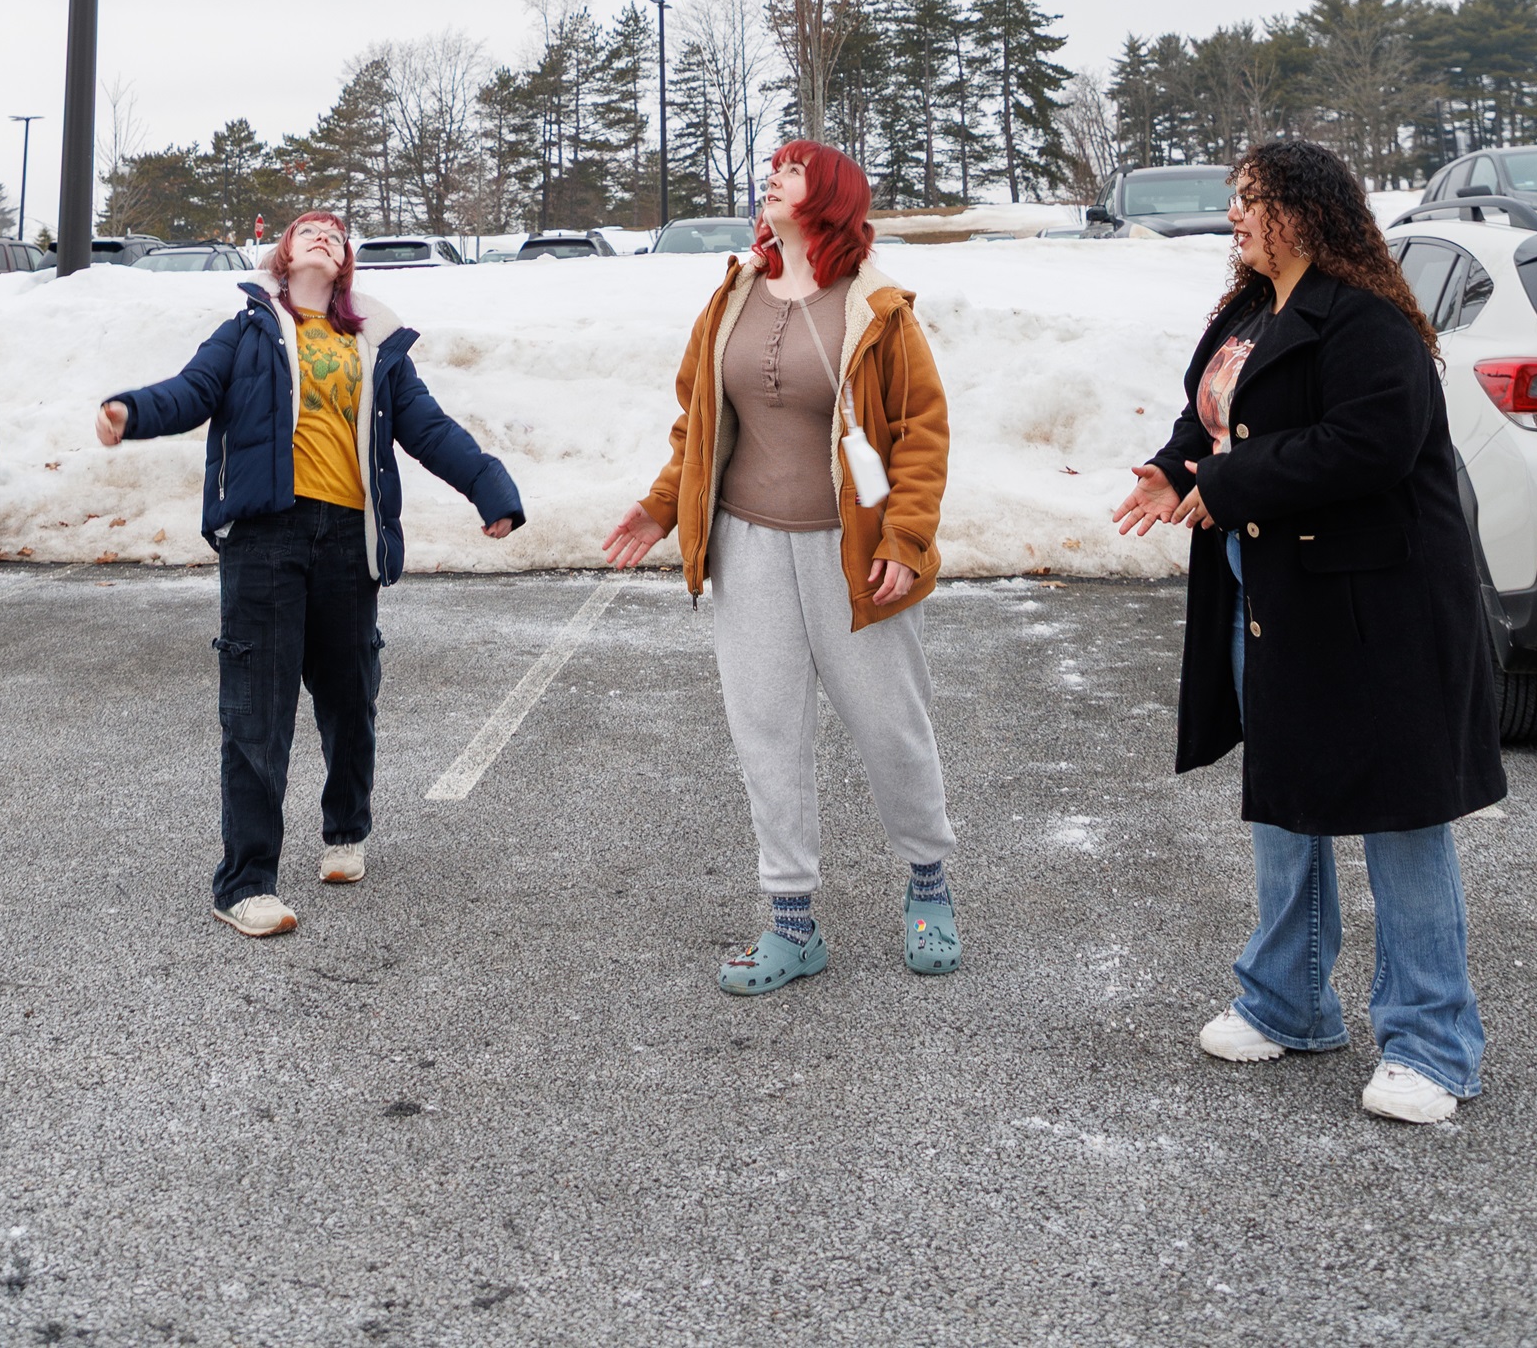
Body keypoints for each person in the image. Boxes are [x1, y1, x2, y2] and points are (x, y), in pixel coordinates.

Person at [1113, 136, 1505, 1125]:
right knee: (1286, 796)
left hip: (1377, 602)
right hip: (1271, 585)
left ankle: (1430, 1044)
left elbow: (1367, 445)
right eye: (1233, 198)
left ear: (1307, 211)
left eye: (1252, 199)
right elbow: (1210, 416)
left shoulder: (1364, 320)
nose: (1235, 214)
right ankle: (1287, 1002)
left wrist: (1224, 482)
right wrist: (1175, 465)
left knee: (1397, 810)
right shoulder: (1247, 308)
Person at [97, 210, 523, 937]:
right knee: (257, 714)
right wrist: (130, 410)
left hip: (347, 541)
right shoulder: (250, 329)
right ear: (283, 254)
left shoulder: (377, 346)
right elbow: (193, 389)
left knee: (351, 697)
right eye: (309, 230)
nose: (324, 236)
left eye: (336, 232)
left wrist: (490, 487)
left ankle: (346, 830)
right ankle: (245, 882)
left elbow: (427, 428)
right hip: (267, 536)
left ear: (347, 261)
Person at [604, 142, 957, 994]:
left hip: (851, 551)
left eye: (791, 171)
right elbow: (697, 425)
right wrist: (661, 507)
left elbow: (921, 436)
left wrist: (903, 542)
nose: (772, 181)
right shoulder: (730, 298)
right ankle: (793, 924)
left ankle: (929, 884)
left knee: (890, 726)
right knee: (767, 733)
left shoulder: (875, 307)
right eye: (771, 170)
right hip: (747, 545)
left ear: (829, 195)